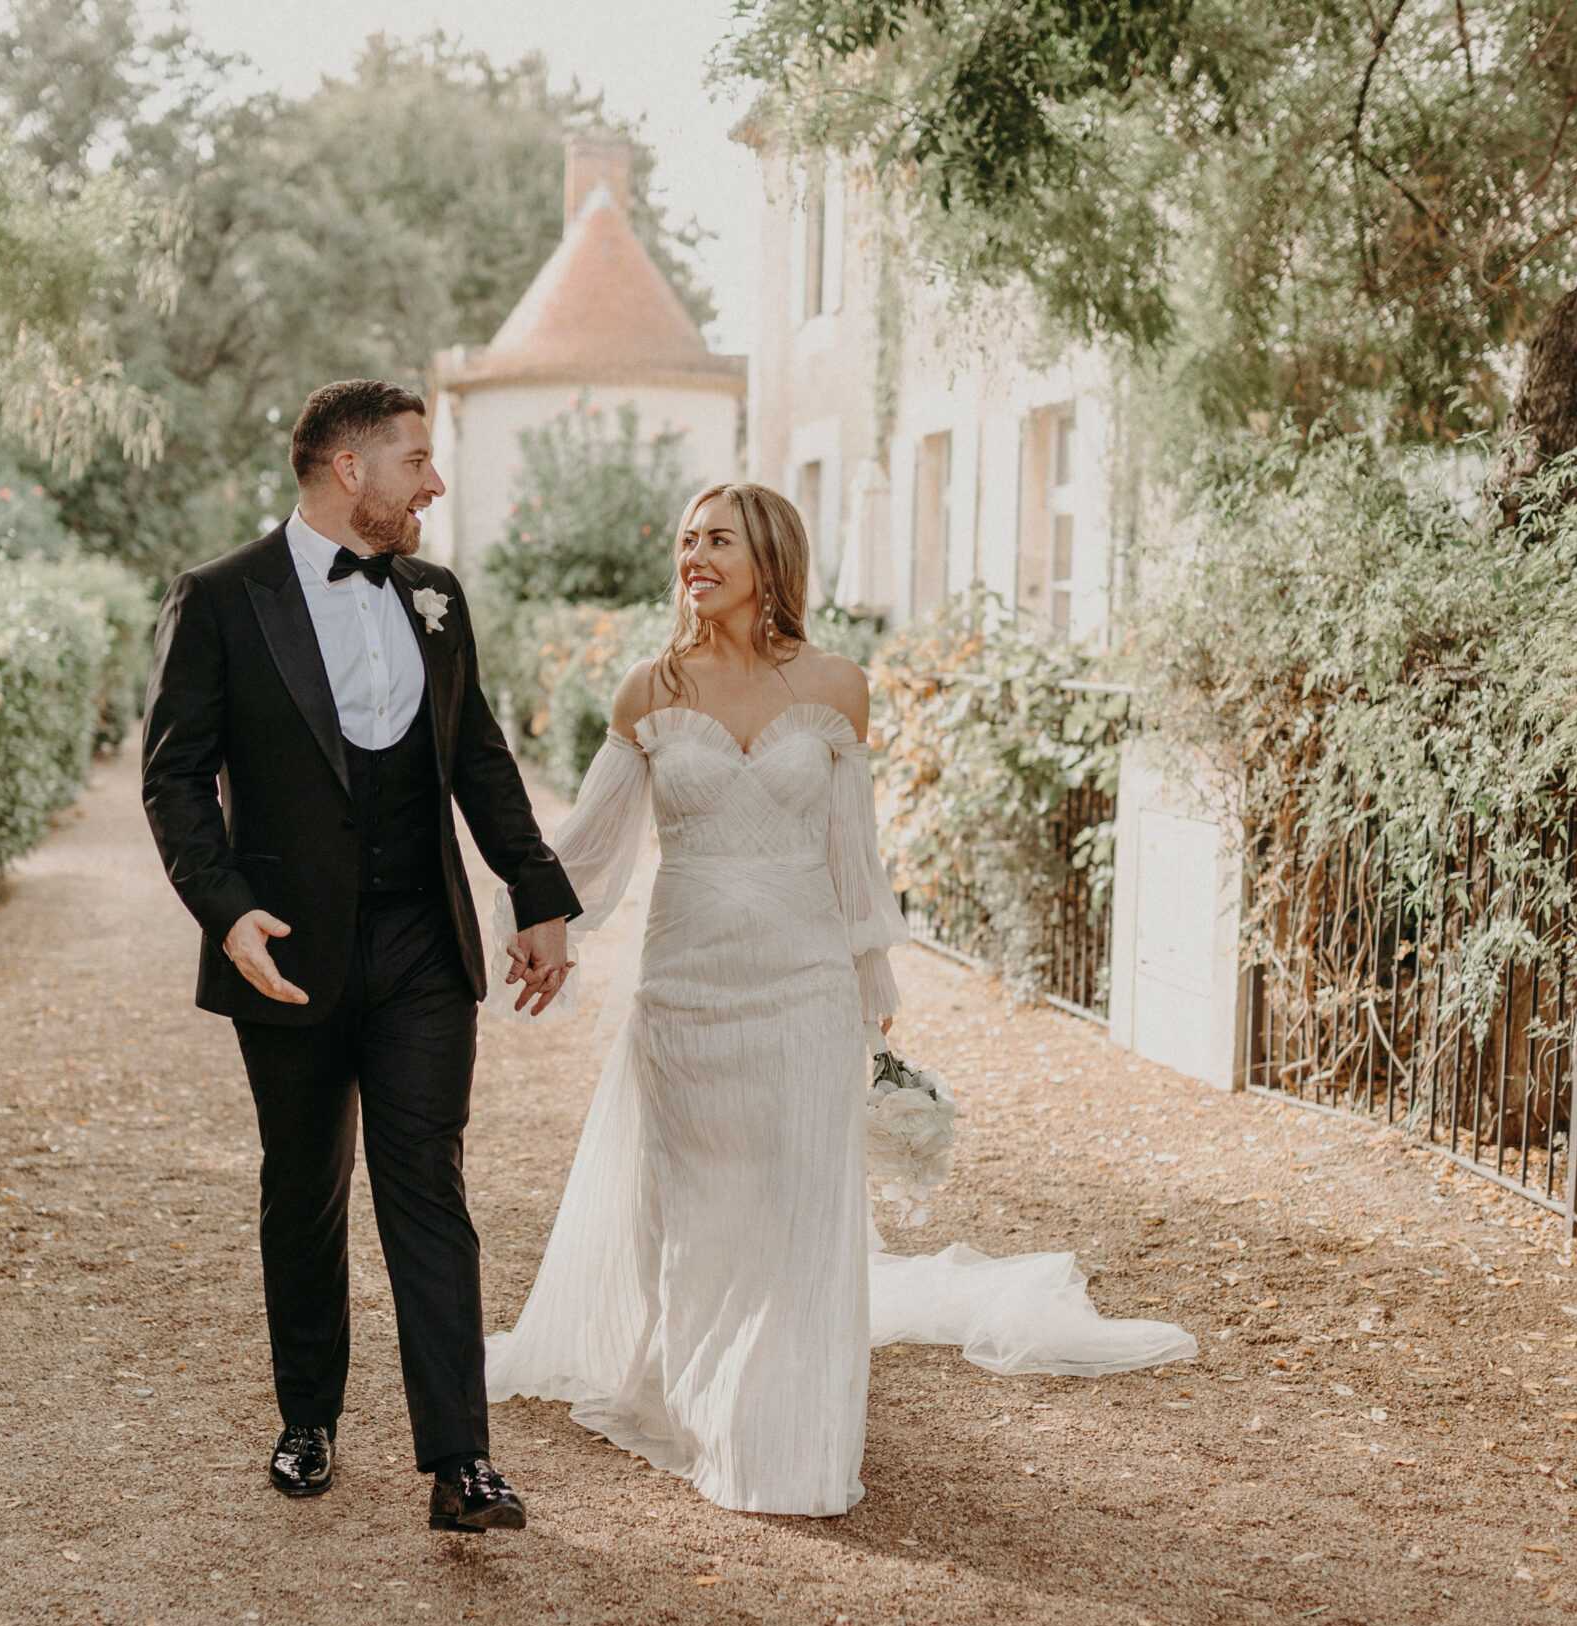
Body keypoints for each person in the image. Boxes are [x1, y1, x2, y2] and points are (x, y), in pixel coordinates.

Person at [486, 480, 1196, 1517]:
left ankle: (780, 1432)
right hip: (683, 994)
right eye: (687, 540)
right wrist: (539, 930)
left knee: (793, 1213)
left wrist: (872, 985)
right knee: (694, 1209)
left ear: (770, 557)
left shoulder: (835, 687)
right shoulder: (647, 689)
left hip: (802, 986)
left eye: (717, 540)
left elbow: (851, 856)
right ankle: (692, 1394)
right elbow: (589, 849)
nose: (694, 556)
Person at [141, 379, 581, 1533]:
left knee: (426, 1186)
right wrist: (225, 910)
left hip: (420, 944)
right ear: (350, 469)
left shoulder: (435, 595)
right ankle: (307, 1419)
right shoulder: (221, 598)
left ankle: (460, 1461)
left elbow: (477, 757)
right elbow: (175, 776)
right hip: (282, 951)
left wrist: (534, 892)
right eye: (416, 460)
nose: (434, 481)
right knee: (303, 1187)